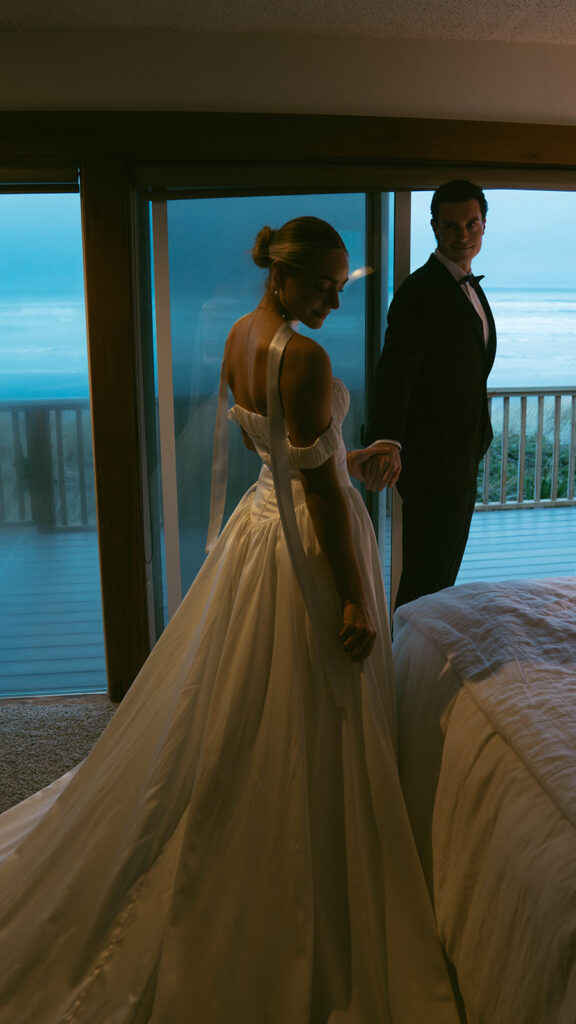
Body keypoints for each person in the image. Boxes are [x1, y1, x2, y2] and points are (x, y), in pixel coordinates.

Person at [0, 216, 460, 1023]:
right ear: (280, 276)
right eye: (320, 284)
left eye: (338, 285)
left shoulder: (241, 335)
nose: (330, 299)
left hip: (256, 530)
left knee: (240, 685)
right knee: (310, 696)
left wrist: (352, 462)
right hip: (306, 544)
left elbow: (281, 456)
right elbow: (313, 493)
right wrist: (355, 594)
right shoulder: (306, 355)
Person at [366, 179, 497, 608]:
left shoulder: (468, 285)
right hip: (433, 462)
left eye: (471, 225)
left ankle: (421, 660)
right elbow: (394, 373)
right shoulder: (421, 290)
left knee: (442, 576)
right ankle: (403, 665)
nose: (462, 236)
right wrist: (387, 441)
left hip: (461, 455)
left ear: (483, 225)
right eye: (451, 226)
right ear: (435, 228)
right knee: (425, 578)